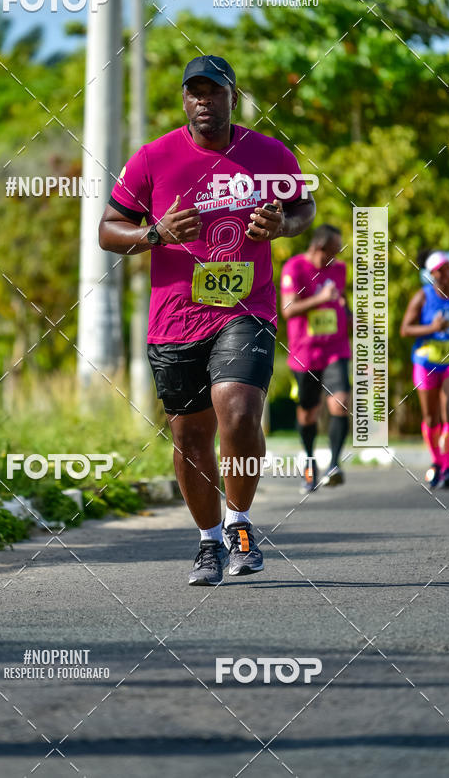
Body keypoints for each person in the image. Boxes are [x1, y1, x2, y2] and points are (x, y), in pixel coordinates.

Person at [98, 54, 315, 586]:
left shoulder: (269, 155)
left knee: (238, 412)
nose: (203, 100)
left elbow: (306, 208)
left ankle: (240, 525)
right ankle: (208, 541)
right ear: (184, 99)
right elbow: (108, 230)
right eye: (194, 91)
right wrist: (155, 234)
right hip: (175, 319)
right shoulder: (153, 158)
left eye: (214, 91)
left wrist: (282, 225)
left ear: (232, 97)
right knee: (191, 437)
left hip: (247, 307)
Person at [280, 224, 351, 494]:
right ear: (319, 247)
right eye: (333, 251)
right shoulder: (295, 268)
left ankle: (334, 465)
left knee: (340, 402)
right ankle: (310, 468)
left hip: (335, 347)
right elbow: (288, 309)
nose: (336, 256)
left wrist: (350, 317)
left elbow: (341, 299)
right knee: (308, 413)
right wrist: (319, 298)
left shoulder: (339, 270)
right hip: (305, 353)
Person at [400, 250, 449, 489]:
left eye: (448, 269)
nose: (446, 274)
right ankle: (436, 461)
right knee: (430, 416)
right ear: (432, 274)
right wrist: (432, 327)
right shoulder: (423, 297)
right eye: (441, 270)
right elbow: (405, 329)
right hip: (425, 362)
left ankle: (447, 468)